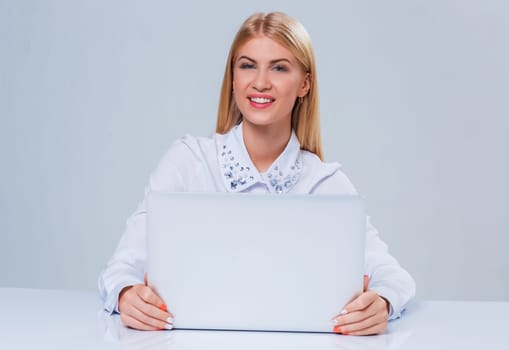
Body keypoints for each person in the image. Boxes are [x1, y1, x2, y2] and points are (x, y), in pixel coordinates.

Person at [98, 11, 415, 336]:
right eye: (248, 65)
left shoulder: (326, 184)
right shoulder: (188, 162)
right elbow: (122, 265)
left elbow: (393, 276)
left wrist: (383, 302)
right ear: (233, 79)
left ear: (304, 84)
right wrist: (126, 294)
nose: (260, 82)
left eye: (279, 68)